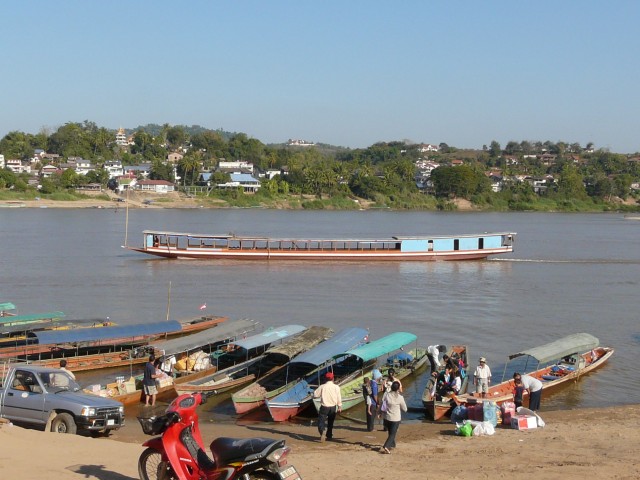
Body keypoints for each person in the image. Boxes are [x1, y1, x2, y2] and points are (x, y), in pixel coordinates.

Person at [379, 381, 407, 454]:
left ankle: (392, 444)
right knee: (392, 434)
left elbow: (382, 404)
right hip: (395, 418)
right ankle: (386, 446)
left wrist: (379, 413)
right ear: (398, 389)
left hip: (387, 417)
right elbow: (405, 409)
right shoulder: (400, 397)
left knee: (390, 432)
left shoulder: (386, 395)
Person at [313, 372, 342, 442]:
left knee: (321, 421)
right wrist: (340, 406)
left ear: (325, 379)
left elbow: (315, 395)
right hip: (333, 407)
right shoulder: (336, 387)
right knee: (330, 422)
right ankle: (329, 435)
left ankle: (322, 431)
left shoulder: (322, 386)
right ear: (333, 378)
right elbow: (339, 397)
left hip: (324, 406)